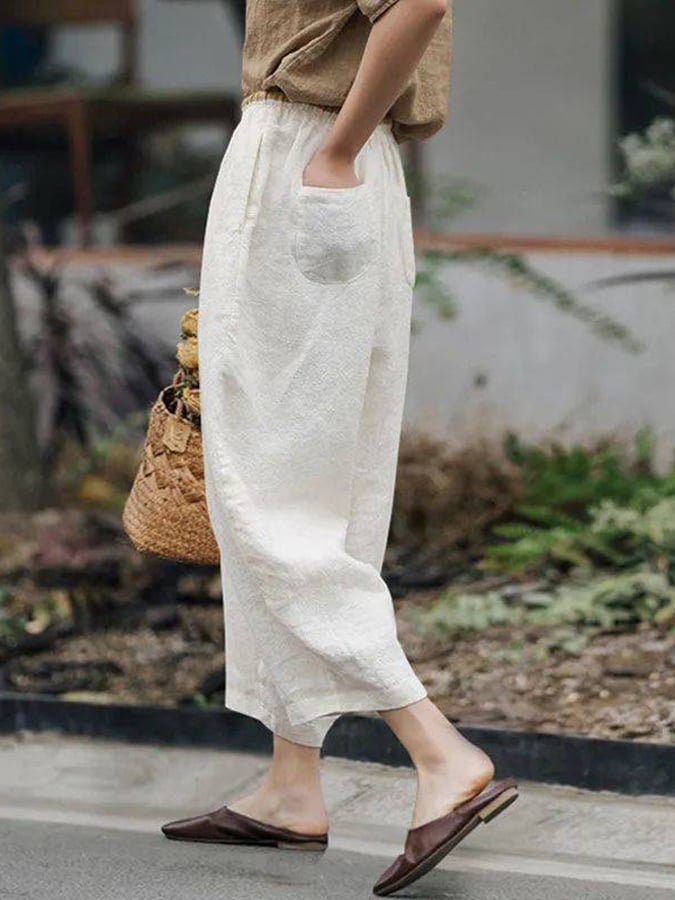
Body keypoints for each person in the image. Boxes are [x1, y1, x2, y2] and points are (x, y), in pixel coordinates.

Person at [161, 0, 518, 893]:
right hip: (337, 158)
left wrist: (332, 149)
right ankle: (292, 785)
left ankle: (437, 751)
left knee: (263, 490)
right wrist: (344, 149)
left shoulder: (319, 142)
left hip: (307, 152)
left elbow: (417, 4)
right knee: (318, 485)